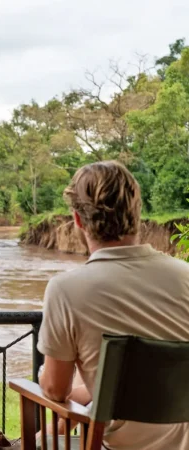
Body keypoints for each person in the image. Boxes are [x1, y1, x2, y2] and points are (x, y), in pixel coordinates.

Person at [38, 161, 189, 450]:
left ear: (78, 220)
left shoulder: (66, 289)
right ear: (137, 212)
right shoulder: (186, 277)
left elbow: (55, 390)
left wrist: (43, 379)